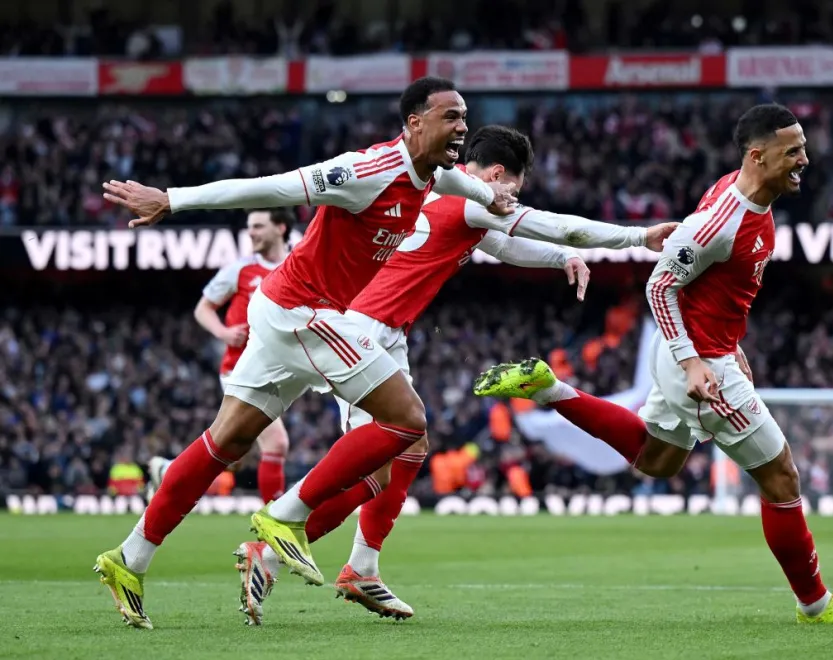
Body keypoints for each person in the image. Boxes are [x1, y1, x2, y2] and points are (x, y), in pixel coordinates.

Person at [93, 76, 517, 630]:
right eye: (450, 116)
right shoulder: (366, 171)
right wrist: (174, 200)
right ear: (414, 122)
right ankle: (287, 516)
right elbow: (269, 187)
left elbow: (461, 182)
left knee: (226, 441)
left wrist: (494, 195)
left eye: (465, 116)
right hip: (305, 313)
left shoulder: (435, 172)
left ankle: (129, 559)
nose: (463, 126)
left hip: (283, 311)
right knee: (408, 420)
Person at [232, 125, 678, 625]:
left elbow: (506, 245)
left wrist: (562, 258)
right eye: (513, 189)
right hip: (361, 330)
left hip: (384, 331)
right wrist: (637, 236)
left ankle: (361, 567)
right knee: (379, 466)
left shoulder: (441, 195)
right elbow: (555, 226)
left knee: (408, 450)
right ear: (496, 174)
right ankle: (270, 547)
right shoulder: (470, 199)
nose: (510, 200)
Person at [473, 104, 833, 625]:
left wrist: (730, 345)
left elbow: (711, 292)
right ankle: (816, 604)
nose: (805, 159)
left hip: (703, 351)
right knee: (782, 478)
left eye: (803, 148)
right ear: (757, 156)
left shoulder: (752, 199)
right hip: (699, 362)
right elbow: (660, 285)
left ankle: (549, 388)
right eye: (793, 152)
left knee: (657, 460)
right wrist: (697, 363)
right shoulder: (723, 221)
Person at [148, 208, 295, 503]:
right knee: (276, 443)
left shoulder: (298, 262)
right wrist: (223, 333)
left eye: (258, 226)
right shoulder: (240, 269)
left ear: (281, 228)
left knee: (229, 449)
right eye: (249, 226)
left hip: (282, 370)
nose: (251, 232)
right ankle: (274, 530)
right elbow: (203, 308)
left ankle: (168, 471)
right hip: (241, 371)